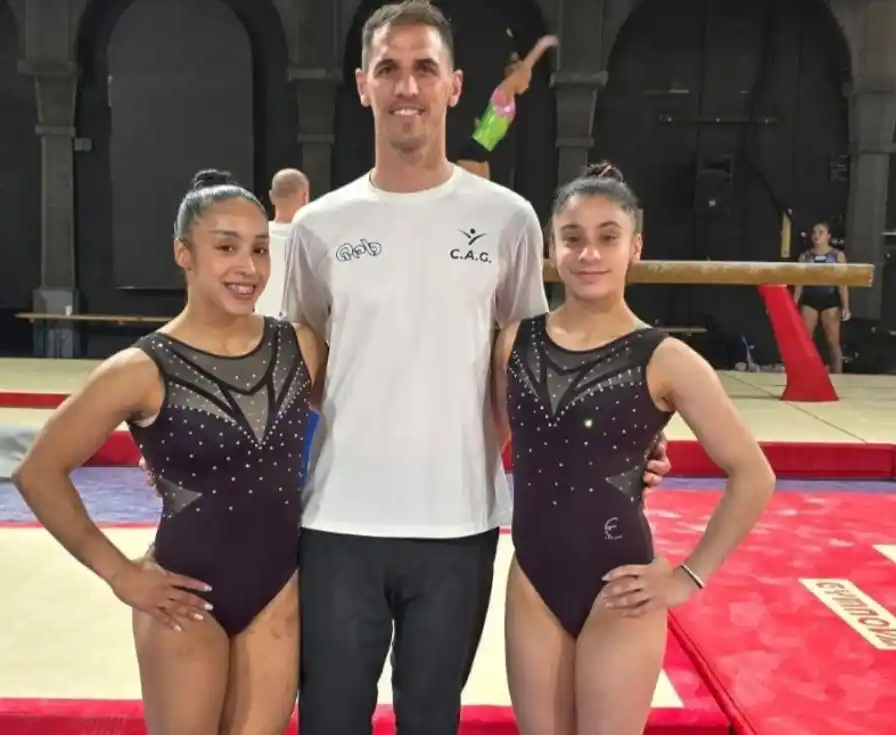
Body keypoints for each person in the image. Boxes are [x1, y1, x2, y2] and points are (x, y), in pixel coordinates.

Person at [280, 4, 672, 735]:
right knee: (331, 717)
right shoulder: (319, 226)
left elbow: (529, 362)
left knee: (432, 717)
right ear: (363, 84)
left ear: (454, 86)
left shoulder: (508, 219)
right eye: (389, 69)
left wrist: (609, 446)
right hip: (336, 519)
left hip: (458, 520)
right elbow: (293, 364)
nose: (407, 86)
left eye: (424, 68)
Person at [12, 168, 326, 735]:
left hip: (276, 591)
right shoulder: (143, 369)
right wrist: (118, 574)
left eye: (259, 249)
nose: (248, 268)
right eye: (225, 247)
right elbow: (38, 471)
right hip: (182, 596)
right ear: (183, 253)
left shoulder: (298, 345)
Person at [493, 162, 775, 735]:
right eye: (573, 238)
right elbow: (494, 440)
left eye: (607, 238)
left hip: (620, 586)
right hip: (533, 579)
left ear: (635, 248)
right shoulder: (513, 341)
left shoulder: (665, 358)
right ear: (553, 245)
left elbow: (753, 473)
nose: (589, 253)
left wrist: (689, 577)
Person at [457, 33, 558, 180]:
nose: (527, 84)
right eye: (526, 79)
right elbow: (525, 67)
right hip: (473, 152)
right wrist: (543, 45)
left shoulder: (506, 97)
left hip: (480, 152)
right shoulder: (504, 93)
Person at [793, 220, 850, 373]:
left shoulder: (837, 256)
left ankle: (838, 376)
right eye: (814, 232)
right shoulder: (805, 256)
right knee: (804, 341)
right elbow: (799, 283)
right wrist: (793, 304)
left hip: (830, 300)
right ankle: (802, 374)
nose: (817, 235)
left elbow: (842, 283)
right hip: (809, 300)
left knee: (833, 342)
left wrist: (846, 307)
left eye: (821, 232)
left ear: (828, 236)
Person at [258, 168, 311, 317]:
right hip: (298, 332)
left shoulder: (256, 237)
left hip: (260, 329)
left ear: (271, 196)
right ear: (305, 197)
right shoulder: (312, 240)